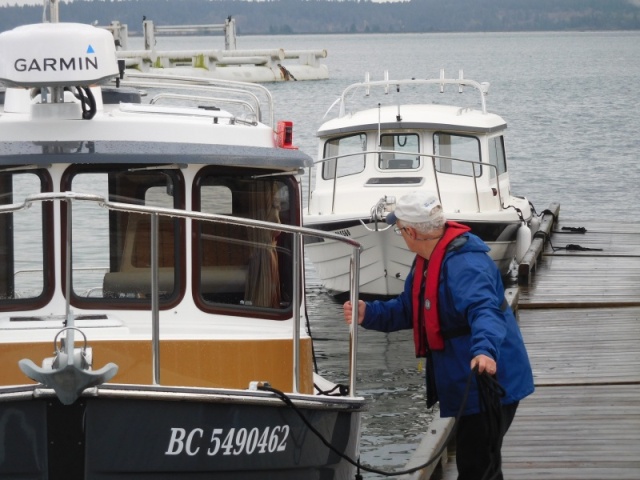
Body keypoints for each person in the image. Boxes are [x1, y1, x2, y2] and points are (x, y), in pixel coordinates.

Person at [343, 192, 534, 480]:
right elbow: (409, 308)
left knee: (478, 467)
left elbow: (485, 312)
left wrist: (484, 351)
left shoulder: (465, 265)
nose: (400, 235)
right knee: (479, 465)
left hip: (489, 379)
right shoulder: (427, 258)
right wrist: (369, 314)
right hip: (464, 379)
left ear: (411, 231)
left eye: (399, 229)